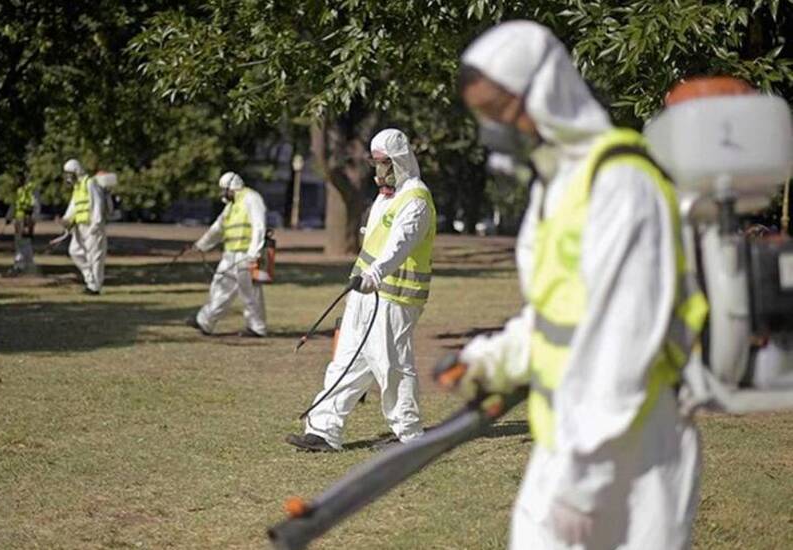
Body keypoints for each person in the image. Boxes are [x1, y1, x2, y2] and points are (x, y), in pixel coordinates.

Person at [453, 21, 707, 549]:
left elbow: (623, 337)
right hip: (569, 439)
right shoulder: (556, 187)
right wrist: (493, 360)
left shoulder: (621, 182)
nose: (496, 129)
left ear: (544, 91)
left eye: (501, 110)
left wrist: (585, 480)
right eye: (486, 117)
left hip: (633, 450)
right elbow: (554, 314)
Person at [286, 128, 437, 452]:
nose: (378, 172)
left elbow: (400, 244)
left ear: (398, 161)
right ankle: (324, 430)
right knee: (347, 360)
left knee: (392, 365)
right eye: (374, 164)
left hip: (395, 297)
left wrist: (375, 274)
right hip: (364, 294)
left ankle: (409, 437)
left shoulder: (416, 199)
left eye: (383, 163)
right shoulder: (387, 198)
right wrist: (363, 281)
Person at [186, 171, 268, 337]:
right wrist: (200, 245)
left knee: (250, 292)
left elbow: (259, 226)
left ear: (232, 186)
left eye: (223, 189)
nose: (222, 193)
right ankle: (205, 321)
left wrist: (254, 253)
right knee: (220, 287)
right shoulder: (230, 207)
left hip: (246, 254)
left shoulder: (251, 198)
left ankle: (257, 328)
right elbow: (217, 228)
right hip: (230, 255)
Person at [61, 159, 108, 295]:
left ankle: (95, 287)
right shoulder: (77, 187)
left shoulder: (90, 183)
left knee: (95, 257)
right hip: (80, 227)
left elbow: (98, 203)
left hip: (92, 226)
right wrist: (66, 220)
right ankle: (90, 279)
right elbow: (73, 206)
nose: (68, 177)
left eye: (69, 173)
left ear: (76, 171)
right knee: (74, 251)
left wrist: (97, 224)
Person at [4, 178, 41, 276]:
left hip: (26, 219)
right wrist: (9, 217)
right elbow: (14, 204)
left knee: (23, 242)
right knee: (22, 242)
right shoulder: (19, 190)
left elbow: (36, 205)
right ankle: (29, 267)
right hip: (19, 220)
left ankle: (19, 266)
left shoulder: (31, 189)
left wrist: (33, 220)